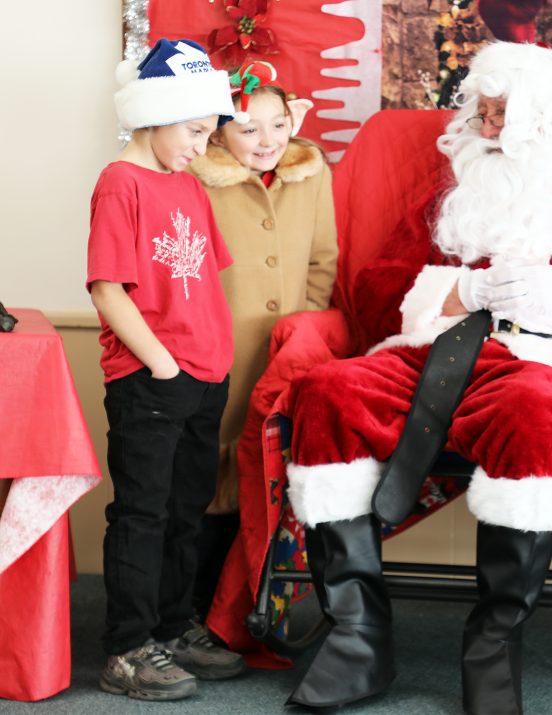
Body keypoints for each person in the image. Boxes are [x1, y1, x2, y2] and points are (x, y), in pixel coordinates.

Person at [281, 42, 552, 714]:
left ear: (543, 122)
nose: (484, 130)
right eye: (480, 114)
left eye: (499, 115)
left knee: (533, 412)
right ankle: (358, 635)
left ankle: (493, 642)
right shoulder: (449, 207)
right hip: (430, 355)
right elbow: (373, 292)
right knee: (326, 393)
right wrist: (462, 290)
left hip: (551, 365)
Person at [86, 38, 246, 701]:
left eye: (209, 132)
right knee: (144, 514)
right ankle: (129, 645)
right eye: (193, 130)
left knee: (186, 510)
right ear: (155, 114)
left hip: (206, 374)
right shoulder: (120, 182)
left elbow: (207, 277)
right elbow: (107, 287)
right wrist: (161, 363)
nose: (200, 145)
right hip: (153, 379)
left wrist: (211, 360)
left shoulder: (187, 186)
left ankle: (176, 626)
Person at [187, 61, 338, 619]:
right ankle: (200, 610)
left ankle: (259, 605)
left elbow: (324, 261)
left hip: (283, 351)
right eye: (249, 129)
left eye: (278, 125)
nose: (267, 140)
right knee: (210, 470)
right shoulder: (196, 178)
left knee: (267, 469)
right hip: (217, 348)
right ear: (220, 132)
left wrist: (307, 333)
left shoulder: (310, 172)